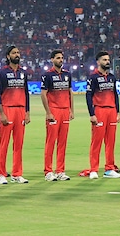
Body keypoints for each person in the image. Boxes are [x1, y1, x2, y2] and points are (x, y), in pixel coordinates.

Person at [0, 45, 30, 184]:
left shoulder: (23, 72)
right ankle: (2, 174)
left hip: (20, 110)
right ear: (8, 56)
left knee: (19, 144)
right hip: (7, 109)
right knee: (4, 144)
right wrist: (2, 113)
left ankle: (17, 174)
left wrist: (27, 112)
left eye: (18, 52)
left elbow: (26, 93)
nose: (17, 55)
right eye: (14, 53)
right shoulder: (2, 72)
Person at [85, 50, 120, 178]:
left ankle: (109, 169)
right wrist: (92, 114)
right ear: (98, 62)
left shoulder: (112, 77)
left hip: (112, 111)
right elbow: (88, 96)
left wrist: (118, 112)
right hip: (99, 110)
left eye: (108, 60)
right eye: (104, 60)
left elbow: (115, 95)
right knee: (96, 141)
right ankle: (93, 170)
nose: (107, 62)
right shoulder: (93, 77)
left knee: (111, 142)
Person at [40, 49, 73, 181]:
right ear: (52, 60)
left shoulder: (67, 74)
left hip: (65, 111)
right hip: (54, 111)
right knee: (50, 142)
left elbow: (70, 92)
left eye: (62, 58)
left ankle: (60, 171)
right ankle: (48, 171)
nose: (61, 60)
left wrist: (71, 110)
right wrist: (48, 112)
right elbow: (43, 94)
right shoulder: (47, 75)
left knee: (63, 142)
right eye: (58, 58)